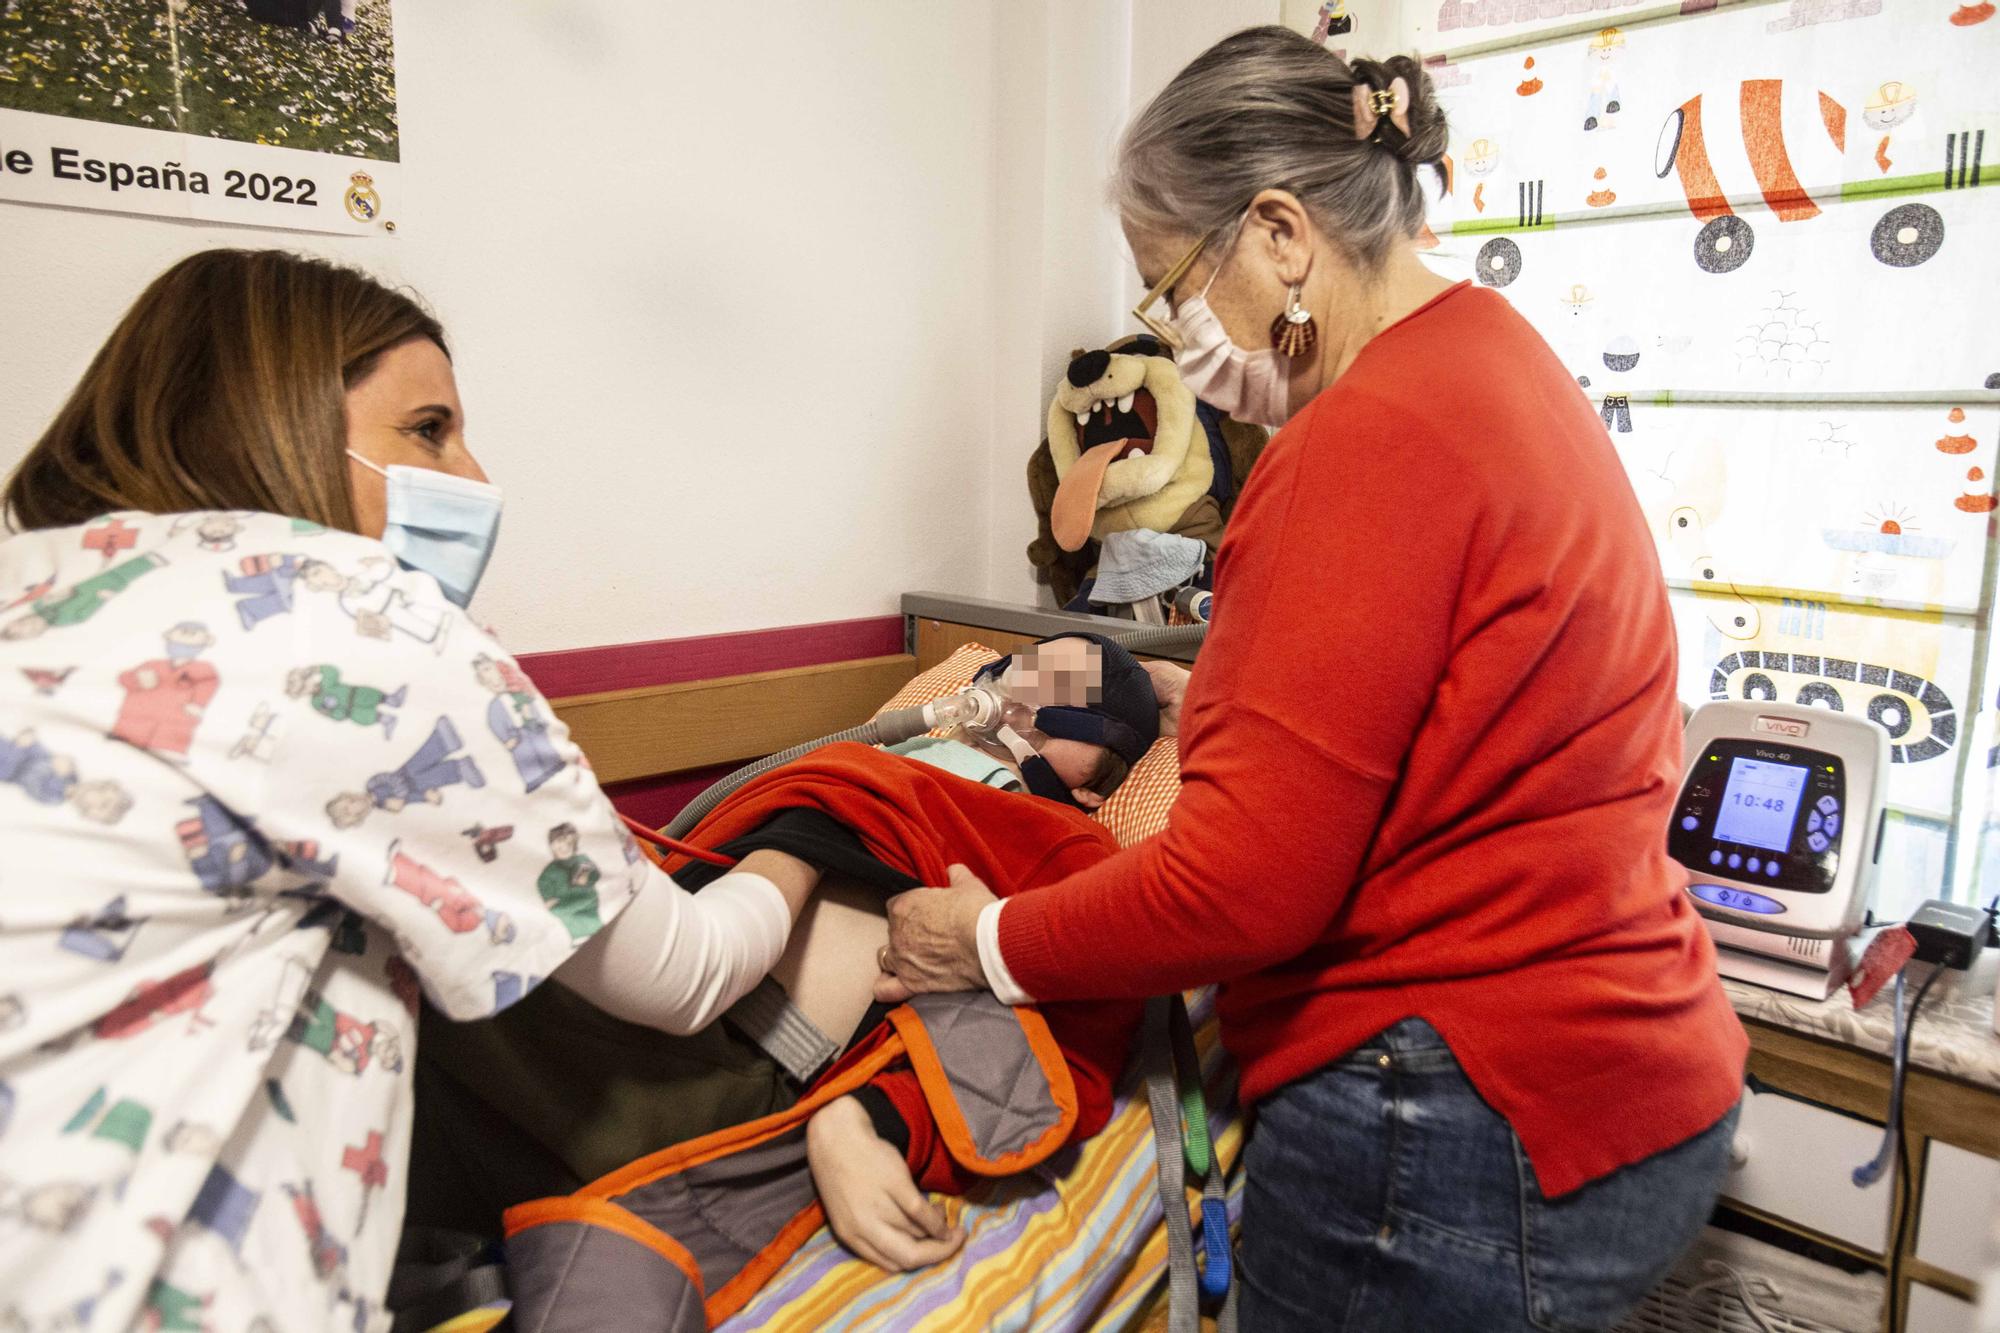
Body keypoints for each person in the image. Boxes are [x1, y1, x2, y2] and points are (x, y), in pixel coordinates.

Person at [877, 29, 1748, 1333]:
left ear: (1280, 235)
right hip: (1633, 1063)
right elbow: (1456, 719)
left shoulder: (1359, 441)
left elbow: (1235, 891)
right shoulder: (1496, 366)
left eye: (1172, 286)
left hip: (1456, 1109)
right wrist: (1210, 704)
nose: (1180, 337)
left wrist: (981, 939)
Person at [0, 249, 824, 1333]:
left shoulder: (41, 580)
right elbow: (684, 973)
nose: (473, 480)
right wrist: (809, 825)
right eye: (427, 430)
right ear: (277, 420)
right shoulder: (358, 621)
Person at [409, 632, 1164, 1274]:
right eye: (1029, 668)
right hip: (630, 982)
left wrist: (863, 1119)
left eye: (1073, 692)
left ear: (1099, 783)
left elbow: (1082, 1030)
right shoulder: (875, 751)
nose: (1028, 693)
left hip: (720, 1063)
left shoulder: (1068, 841)